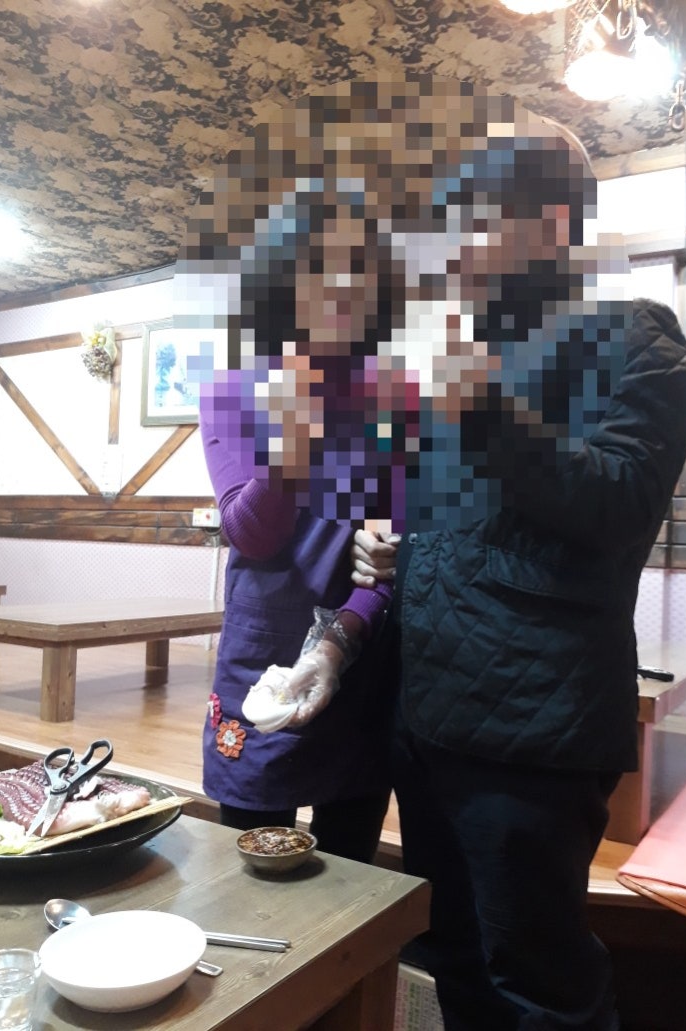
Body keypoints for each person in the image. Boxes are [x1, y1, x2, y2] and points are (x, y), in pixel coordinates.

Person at [348, 135, 686, 1026]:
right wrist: (395, 544)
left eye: (468, 216)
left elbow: (617, 500)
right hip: (426, 716)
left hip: (531, 727)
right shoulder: (467, 359)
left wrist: (474, 398)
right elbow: (471, 521)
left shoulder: (635, 338)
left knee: (538, 985)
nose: (445, 242)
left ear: (547, 220)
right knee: (452, 957)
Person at [198, 197, 401, 863]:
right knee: (248, 861)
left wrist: (344, 636)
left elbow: (389, 548)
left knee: (351, 865)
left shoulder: (392, 396)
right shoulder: (234, 389)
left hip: (359, 646)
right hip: (262, 649)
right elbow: (251, 534)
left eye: (356, 268)